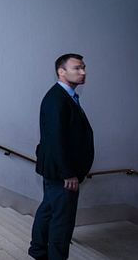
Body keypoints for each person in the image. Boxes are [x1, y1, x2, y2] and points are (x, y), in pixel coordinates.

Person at [29, 54, 94, 260]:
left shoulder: (64, 97)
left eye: (83, 68)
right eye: (77, 68)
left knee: (48, 211)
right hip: (63, 173)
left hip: (58, 170)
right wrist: (68, 173)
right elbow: (55, 139)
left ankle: (38, 251)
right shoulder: (57, 98)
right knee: (62, 222)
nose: (83, 72)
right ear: (61, 71)